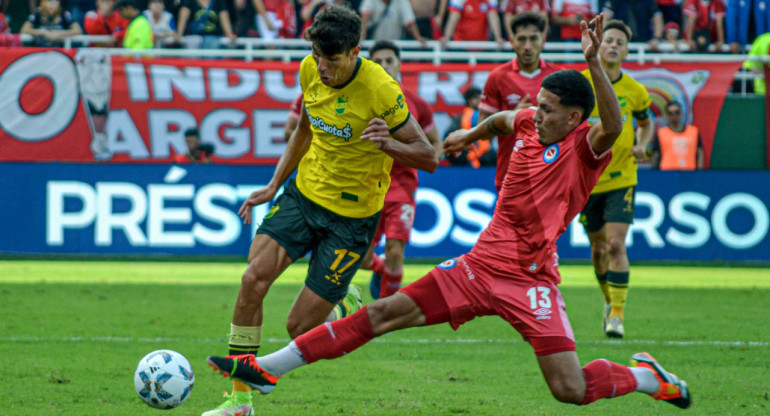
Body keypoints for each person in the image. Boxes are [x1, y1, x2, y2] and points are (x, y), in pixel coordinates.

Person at [206, 15, 692, 412]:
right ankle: (265, 369)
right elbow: (506, 118)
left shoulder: (586, 148)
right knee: (380, 314)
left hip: (531, 282)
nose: (536, 113)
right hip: (477, 269)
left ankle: (647, 378)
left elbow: (610, 122)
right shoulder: (527, 120)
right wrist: (471, 135)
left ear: (572, 119)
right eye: (538, 104)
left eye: (548, 110)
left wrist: (592, 63)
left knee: (570, 389)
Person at [201, 6, 438, 416]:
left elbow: (428, 155)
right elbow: (305, 131)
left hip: (352, 218)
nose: (322, 67)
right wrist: (274, 185)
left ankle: (346, 301)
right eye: (317, 55)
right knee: (252, 280)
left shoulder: (381, 90)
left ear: (354, 52)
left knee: (299, 328)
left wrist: (389, 145)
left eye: (332, 59)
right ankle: (239, 401)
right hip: (303, 195)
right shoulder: (310, 69)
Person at [579, 19, 654, 339]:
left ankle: (619, 316)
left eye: (619, 42)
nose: (613, 45)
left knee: (614, 244)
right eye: (608, 39)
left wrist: (643, 144)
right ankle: (610, 303)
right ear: (599, 42)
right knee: (597, 251)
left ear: (625, 50)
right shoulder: (580, 84)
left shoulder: (635, 91)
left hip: (622, 176)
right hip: (586, 180)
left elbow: (646, 123)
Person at [361, 40, 443, 299]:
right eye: (378, 61)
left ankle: (384, 311)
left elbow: (435, 142)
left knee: (396, 249)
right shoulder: (360, 100)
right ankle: (382, 268)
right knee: (361, 258)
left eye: (389, 60)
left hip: (402, 187)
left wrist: (428, 161)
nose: (384, 66)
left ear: (399, 64)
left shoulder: (416, 103)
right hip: (367, 186)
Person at [478, 11, 562, 192]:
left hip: (550, 175)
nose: (527, 46)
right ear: (512, 41)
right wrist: (513, 116)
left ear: (544, 40)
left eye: (533, 38)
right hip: (510, 175)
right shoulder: (498, 77)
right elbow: (483, 134)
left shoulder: (559, 77)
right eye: (522, 39)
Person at [444, 86, 496, 168]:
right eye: (476, 98)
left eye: (480, 98)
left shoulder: (461, 117)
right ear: (469, 100)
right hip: (471, 159)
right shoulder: (468, 117)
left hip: (479, 158)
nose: (479, 101)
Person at [651, 101, 704, 170]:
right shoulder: (661, 133)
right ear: (667, 115)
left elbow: (700, 152)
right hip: (667, 173)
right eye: (671, 113)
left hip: (690, 173)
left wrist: (700, 171)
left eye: (677, 112)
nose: (674, 115)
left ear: (681, 113)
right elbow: (656, 155)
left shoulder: (694, 131)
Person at [440, 0, 505, 48]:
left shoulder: (490, 1)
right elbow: (453, 19)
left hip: (482, 44)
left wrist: (498, 37)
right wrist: (447, 36)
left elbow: (493, 17)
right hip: (461, 44)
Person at [359, 0, 427, 45]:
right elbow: (365, 17)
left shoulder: (401, 1)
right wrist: (362, 35)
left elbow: (410, 22)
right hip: (376, 43)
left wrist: (418, 37)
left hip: (396, 44)